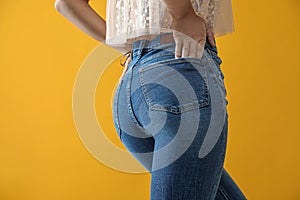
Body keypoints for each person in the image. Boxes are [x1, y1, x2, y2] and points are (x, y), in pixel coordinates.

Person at [55, 0, 247, 199]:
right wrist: (184, 14)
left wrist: (134, 50)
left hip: (133, 87)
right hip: (181, 75)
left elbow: (66, 3)